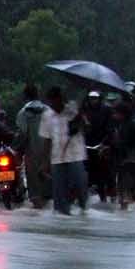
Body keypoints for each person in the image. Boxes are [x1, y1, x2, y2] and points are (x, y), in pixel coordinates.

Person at [42, 86, 88, 214]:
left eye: (55, 101)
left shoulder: (73, 111)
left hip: (76, 155)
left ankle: (83, 210)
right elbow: (47, 139)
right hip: (57, 157)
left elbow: (87, 127)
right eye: (50, 102)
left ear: (61, 99)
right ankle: (62, 216)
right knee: (59, 193)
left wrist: (79, 123)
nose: (52, 105)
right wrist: (44, 162)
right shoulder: (47, 115)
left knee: (80, 184)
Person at [13, 84, 51, 209]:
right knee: (49, 191)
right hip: (49, 156)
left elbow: (22, 136)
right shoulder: (48, 110)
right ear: (38, 95)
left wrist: (17, 151)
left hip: (32, 156)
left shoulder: (23, 112)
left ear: (25, 96)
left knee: (35, 193)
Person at [82, 91, 114, 204]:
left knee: (103, 174)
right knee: (85, 174)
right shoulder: (84, 110)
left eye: (95, 98)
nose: (93, 100)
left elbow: (110, 129)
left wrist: (104, 143)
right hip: (86, 145)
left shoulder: (106, 110)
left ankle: (105, 197)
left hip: (102, 145)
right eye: (91, 98)